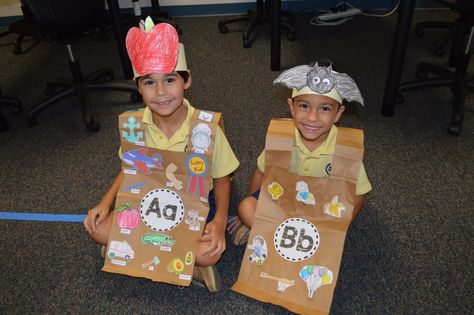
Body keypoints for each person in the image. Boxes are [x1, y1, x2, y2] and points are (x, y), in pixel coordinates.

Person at [83, 19, 239, 292]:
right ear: (138, 87)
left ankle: (180, 258)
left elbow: (223, 178)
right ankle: (177, 257)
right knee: (97, 230)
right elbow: (128, 169)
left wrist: (220, 221)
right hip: (148, 196)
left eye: (170, 79)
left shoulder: (205, 128)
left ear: (187, 80)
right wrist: (104, 204)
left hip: (197, 201)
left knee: (209, 251)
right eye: (149, 82)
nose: (161, 92)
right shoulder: (134, 126)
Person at [228, 61, 371, 245]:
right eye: (304, 106)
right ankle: (285, 238)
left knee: (326, 229)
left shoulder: (345, 150)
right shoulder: (281, 139)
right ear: (291, 107)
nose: (312, 117)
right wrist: (247, 208)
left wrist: (342, 226)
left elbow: (360, 191)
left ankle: (270, 235)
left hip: (320, 205)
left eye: (325, 109)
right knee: (245, 207)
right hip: (282, 196)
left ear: (338, 113)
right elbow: (261, 172)